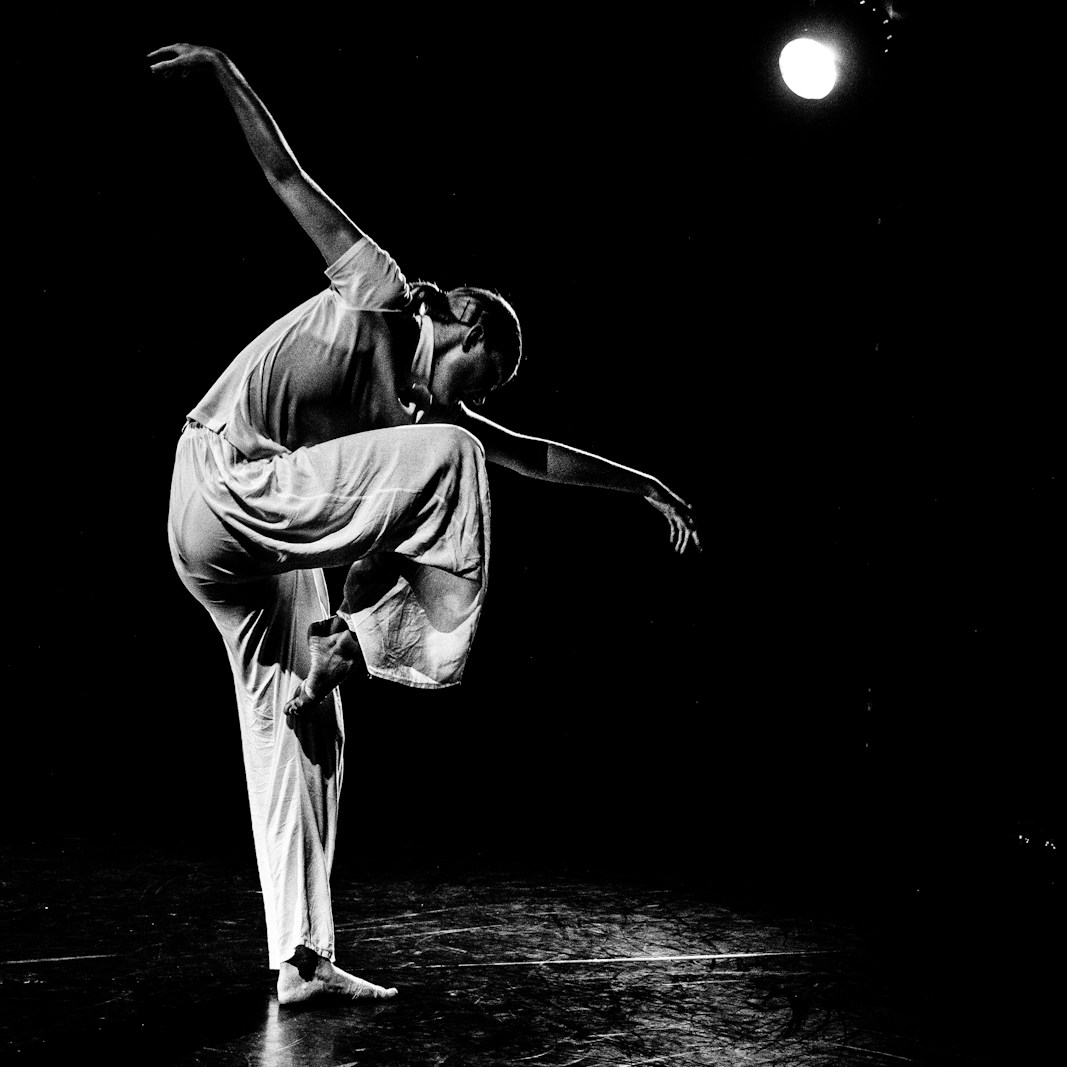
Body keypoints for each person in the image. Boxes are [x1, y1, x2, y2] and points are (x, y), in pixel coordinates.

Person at [149, 42, 701, 1006]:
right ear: (454, 321)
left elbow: (531, 451)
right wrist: (225, 71)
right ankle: (361, 639)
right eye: (474, 376)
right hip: (224, 479)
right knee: (449, 462)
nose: (466, 398)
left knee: (305, 733)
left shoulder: (412, 412)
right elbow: (285, 171)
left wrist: (640, 481)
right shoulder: (380, 288)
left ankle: (301, 963)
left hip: (250, 544)